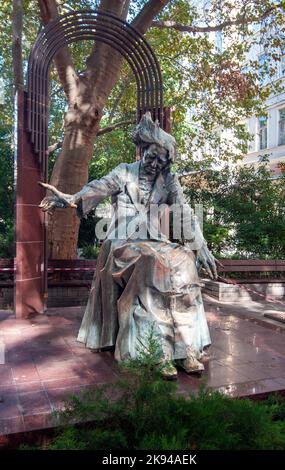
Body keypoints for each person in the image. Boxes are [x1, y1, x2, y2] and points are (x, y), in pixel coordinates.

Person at [39, 112, 218, 379]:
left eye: (161, 159)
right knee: (150, 263)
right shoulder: (124, 171)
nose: (154, 162)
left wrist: (200, 245)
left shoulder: (168, 180)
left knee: (184, 259)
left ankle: (185, 347)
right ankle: (157, 351)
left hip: (153, 241)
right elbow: (98, 187)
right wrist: (72, 198)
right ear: (143, 149)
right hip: (122, 242)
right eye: (152, 155)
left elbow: (184, 211)